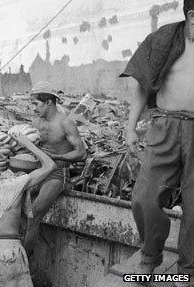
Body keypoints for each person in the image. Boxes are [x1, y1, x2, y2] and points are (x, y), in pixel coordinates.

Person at [120, 0, 194, 278]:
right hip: (164, 127)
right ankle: (150, 256)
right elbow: (142, 85)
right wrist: (130, 128)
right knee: (144, 197)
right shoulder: (162, 40)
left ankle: (188, 269)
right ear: (191, 16)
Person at [0, 133, 56, 287]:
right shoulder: (17, 184)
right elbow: (50, 166)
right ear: (26, 172)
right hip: (8, 250)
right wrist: (28, 144)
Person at [24, 81, 87, 255]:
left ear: (48, 102)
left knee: (34, 215)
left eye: (36, 104)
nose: (33, 108)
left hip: (57, 174)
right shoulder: (36, 121)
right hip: (38, 170)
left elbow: (81, 153)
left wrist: (57, 158)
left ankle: (25, 259)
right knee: (15, 205)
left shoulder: (65, 123)